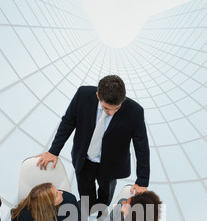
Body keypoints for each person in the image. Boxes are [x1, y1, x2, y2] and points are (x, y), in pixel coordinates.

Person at [35, 75, 150, 211]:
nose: (111, 113)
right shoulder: (83, 95)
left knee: (105, 198)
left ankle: (100, 214)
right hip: (84, 160)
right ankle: (87, 213)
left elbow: (141, 146)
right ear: (97, 95)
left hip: (111, 165)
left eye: (116, 108)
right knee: (86, 198)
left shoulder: (135, 111)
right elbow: (68, 122)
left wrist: (142, 180)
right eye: (106, 108)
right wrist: (54, 151)